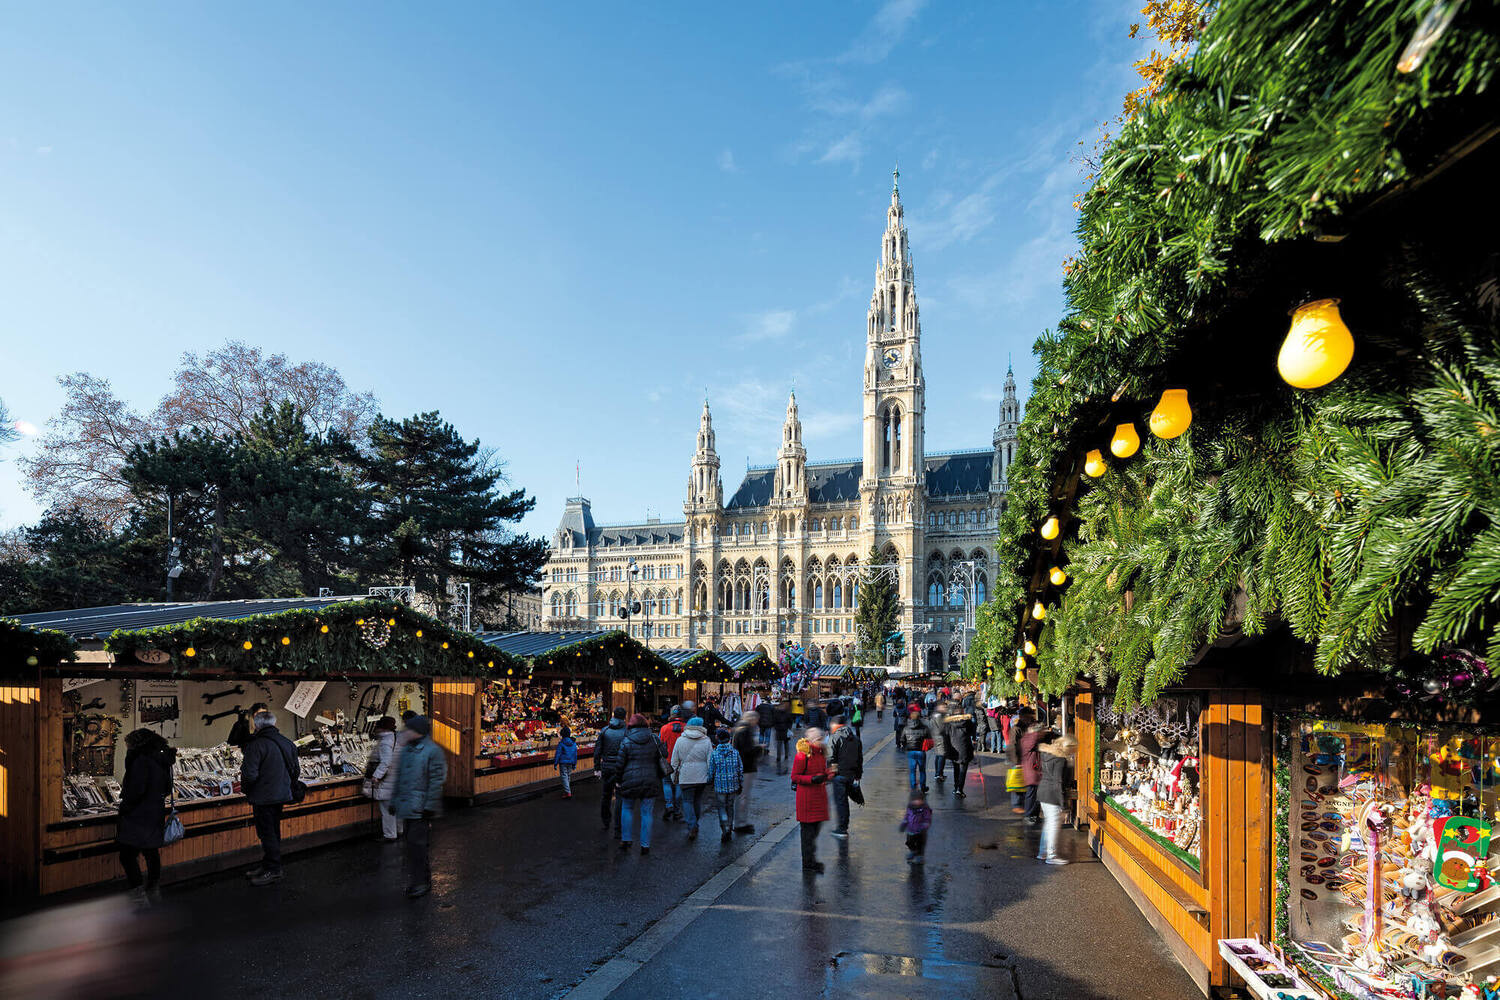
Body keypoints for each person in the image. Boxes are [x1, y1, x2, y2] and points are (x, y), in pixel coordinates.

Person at [117, 728, 175, 906]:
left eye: (127, 744)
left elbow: (135, 790)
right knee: (151, 852)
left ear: (136, 744)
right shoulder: (162, 759)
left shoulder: (141, 761)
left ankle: (138, 894)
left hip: (137, 814)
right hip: (155, 812)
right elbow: (167, 788)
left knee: (127, 854)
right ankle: (153, 889)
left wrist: (125, 807)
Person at [240, 709, 299, 886]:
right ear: (274, 723)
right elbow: (296, 771)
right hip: (281, 795)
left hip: (263, 797)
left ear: (256, 725)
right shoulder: (288, 743)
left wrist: (248, 790)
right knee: (273, 830)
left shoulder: (256, 745)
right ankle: (268, 865)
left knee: (267, 833)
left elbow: (249, 774)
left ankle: (273, 870)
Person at [391, 715, 447, 897]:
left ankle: (422, 882)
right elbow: (399, 779)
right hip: (408, 806)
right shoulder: (407, 750)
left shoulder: (432, 751)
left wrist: (429, 806)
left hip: (420, 808)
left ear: (418, 732)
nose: (405, 732)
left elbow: (436, 780)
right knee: (412, 846)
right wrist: (394, 801)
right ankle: (419, 880)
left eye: (409, 729)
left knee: (418, 846)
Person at [611, 714, 662, 855]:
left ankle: (626, 839)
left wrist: (618, 780)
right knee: (647, 813)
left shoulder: (626, 741)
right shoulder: (654, 738)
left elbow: (620, 763)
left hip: (629, 779)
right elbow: (663, 754)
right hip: (650, 779)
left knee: (627, 808)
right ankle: (645, 844)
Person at [791, 727, 831, 874]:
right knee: (808, 834)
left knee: (814, 832)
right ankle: (808, 863)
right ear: (813, 740)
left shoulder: (821, 753)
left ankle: (811, 860)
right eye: (820, 739)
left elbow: (822, 772)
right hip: (807, 799)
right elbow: (795, 777)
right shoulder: (803, 755)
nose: (822, 741)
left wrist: (829, 773)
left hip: (818, 797)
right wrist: (812, 779)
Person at [671, 716, 712, 839]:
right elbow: (710, 761)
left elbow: (674, 761)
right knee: (697, 801)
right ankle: (695, 823)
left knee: (687, 801)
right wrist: (710, 776)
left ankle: (692, 825)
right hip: (701, 777)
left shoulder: (680, 740)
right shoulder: (706, 740)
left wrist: (674, 776)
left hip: (686, 775)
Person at [1037, 732, 1075, 863]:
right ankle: (1051, 855)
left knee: (1049, 824)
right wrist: (1063, 805)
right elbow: (1058, 782)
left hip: (1044, 791)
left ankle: (1043, 852)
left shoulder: (1049, 755)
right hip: (1053, 795)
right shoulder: (1061, 759)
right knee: (1052, 825)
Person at [363, 716, 401, 841]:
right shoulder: (396, 738)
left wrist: (376, 775)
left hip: (388, 779)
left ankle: (390, 835)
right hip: (397, 777)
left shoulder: (385, 742)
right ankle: (399, 830)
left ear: (381, 728)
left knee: (387, 809)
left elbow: (386, 761)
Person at [826, 716, 864, 839]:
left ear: (836, 725)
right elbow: (859, 759)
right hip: (851, 775)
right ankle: (843, 827)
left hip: (839, 776)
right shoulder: (856, 739)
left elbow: (830, 758)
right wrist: (858, 775)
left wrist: (831, 773)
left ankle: (842, 829)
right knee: (844, 802)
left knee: (841, 802)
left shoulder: (835, 737)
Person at [595, 707, 628, 837]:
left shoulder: (605, 730)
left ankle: (606, 820)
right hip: (621, 767)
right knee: (620, 796)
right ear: (624, 717)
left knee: (606, 794)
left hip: (607, 766)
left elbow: (597, 750)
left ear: (613, 715)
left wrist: (597, 767)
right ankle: (617, 827)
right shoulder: (626, 731)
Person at [706, 729, 744, 843]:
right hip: (733, 785)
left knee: (722, 808)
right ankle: (730, 827)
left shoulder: (715, 754)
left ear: (718, 738)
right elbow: (740, 769)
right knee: (730, 807)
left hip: (720, 786)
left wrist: (709, 781)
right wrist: (740, 783)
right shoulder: (735, 753)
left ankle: (725, 829)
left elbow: (711, 771)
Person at [731, 711, 761, 834]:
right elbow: (747, 751)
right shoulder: (745, 731)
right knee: (743, 796)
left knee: (741, 796)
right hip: (746, 768)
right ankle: (740, 823)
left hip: (742, 767)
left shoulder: (740, 728)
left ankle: (739, 822)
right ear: (752, 719)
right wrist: (759, 748)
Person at [941, 707, 977, 798]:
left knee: (956, 769)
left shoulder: (949, 724)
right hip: (964, 748)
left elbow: (945, 735)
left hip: (954, 749)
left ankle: (956, 787)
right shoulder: (968, 723)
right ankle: (959, 789)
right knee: (963, 771)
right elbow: (972, 732)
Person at [1018, 719, 1046, 824]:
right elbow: (1034, 739)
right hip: (1032, 771)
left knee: (1035, 794)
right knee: (1031, 794)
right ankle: (1028, 815)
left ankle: (1034, 814)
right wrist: (1038, 731)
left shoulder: (1028, 737)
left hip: (1033, 770)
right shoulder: (1030, 738)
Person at [898, 705, 929, 791]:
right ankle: (923, 786)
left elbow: (902, 739)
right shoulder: (924, 727)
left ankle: (913, 786)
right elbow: (928, 738)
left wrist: (905, 745)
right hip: (921, 751)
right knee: (922, 770)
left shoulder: (906, 728)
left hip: (911, 751)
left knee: (912, 770)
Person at [899, 792, 932, 864]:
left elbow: (927, 819)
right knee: (909, 842)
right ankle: (913, 851)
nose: (917, 801)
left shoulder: (925, 808)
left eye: (919, 800)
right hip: (910, 829)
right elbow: (907, 816)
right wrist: (903, 824)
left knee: (920, 844)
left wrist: (924, 825)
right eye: (915, 800)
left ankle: (920, 856)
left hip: (920, 831)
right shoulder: (910, 807)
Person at [554, 725, 579, 798]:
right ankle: (567, 791)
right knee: (568, 775)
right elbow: (575, 754)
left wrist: (555, 763)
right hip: (571, 761)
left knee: (564, 776)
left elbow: (558, 754)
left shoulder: (561, 743)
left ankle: (568, 792)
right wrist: (574, 764)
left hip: (563, 762)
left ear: (562, 735)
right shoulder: (573, 743)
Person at [772, 699, 793, 774]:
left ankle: (785, 755)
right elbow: (774, 721)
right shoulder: (779, 713)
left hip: (784, 730)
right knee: (780, 744)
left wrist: (788, 728)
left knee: (784, 743)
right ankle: (779, 756)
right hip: (780, 730)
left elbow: (790, 721)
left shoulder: (784, 713)